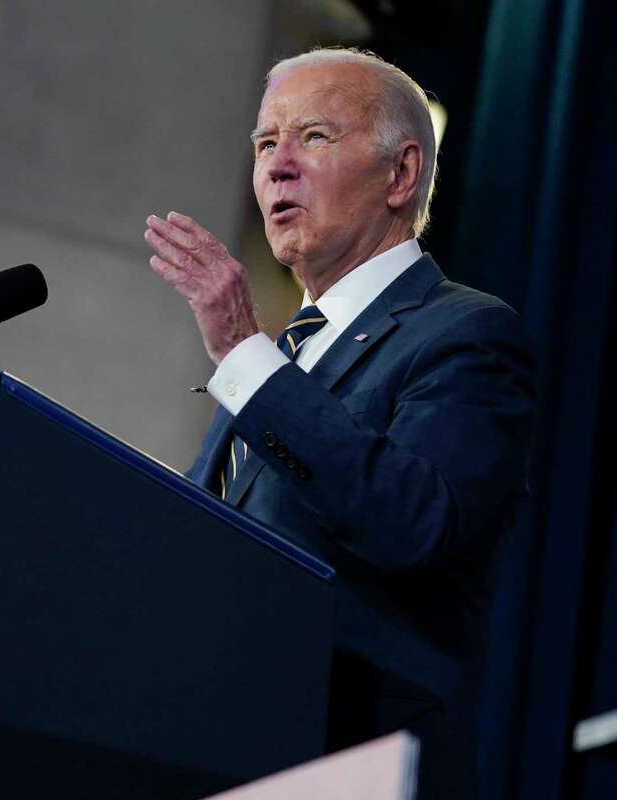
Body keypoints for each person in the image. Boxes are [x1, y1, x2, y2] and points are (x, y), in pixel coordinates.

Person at [143, 48, 535, 798]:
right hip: (216, 753)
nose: (276, 168)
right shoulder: (280, 361)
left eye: (313, 137)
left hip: (351, 763)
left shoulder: (467, 335)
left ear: (401, 173)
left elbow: (412, 520)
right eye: (265, 145)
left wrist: (242, 351)